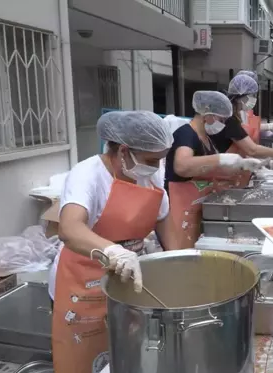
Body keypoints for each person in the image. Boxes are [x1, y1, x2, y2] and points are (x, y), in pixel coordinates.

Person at [52, 110, 174, 373]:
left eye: (160, 160)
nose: (156, 167)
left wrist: (185, 268)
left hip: (127, 281)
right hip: (81, 284)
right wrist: (113, 251)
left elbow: (167, 227)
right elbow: (70, 228)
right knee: (83, 361)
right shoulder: (88, 174)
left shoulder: (149, 176)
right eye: (151, 160)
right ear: (123, 151)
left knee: (125, 358)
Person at [164, 90, 262, 250]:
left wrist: (242, 165)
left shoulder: (207, 139)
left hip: (198, 208)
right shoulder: (186, 134)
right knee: (182, 257)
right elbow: (182, 166)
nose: (222, 123)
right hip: (181, 211)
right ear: (207, 114)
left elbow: (207, 169)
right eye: (221, 119)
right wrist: (220, 159)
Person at [210, 74, 273, 160]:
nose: (255, 98)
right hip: (224, 169)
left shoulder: (233, 116)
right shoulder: (230, 119)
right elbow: (252, 150)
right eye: (252, 95)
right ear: (242, 96)